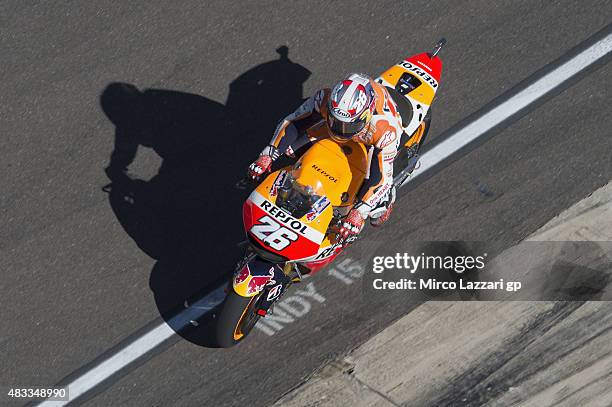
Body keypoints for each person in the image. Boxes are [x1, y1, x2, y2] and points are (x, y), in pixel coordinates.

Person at [248, 73, 403, 244]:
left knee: (375, 207)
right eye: (336, 122)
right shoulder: (323, 98)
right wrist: (267, 155)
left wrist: (358, 213)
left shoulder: (385, 130)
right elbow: (292, 122)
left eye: (348, 125)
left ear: (365, 116)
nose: (341, 130)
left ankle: (387, 201)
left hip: (369, 142)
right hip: (331, 132)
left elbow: (381, 178)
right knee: (291, 150)